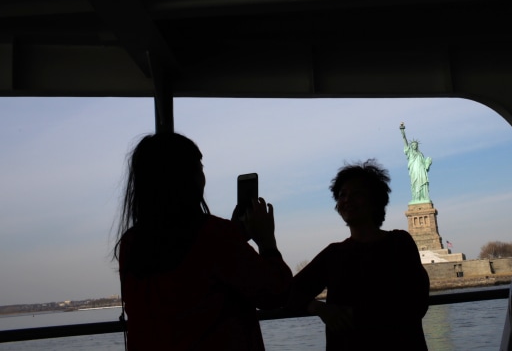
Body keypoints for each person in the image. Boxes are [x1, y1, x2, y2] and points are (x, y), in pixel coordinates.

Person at [113, 132, 292, 350]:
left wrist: (235, 235)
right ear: (189, 178)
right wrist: (266, 242)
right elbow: (274, 293)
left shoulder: (131, 244)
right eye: (199, 168)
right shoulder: (214, 235)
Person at [287, 160, 430, 350]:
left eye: (356, 194)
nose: (347, 200)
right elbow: (288, 293)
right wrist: (319, 308)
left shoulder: (400, 243)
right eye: (342, 195)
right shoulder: (333, 254)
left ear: (375, 201)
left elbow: (416, 302)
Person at [400, 122, 432, 204]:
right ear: (411, 146)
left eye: (415, 145)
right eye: (413, 145)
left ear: (417, 146)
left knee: (422, 183)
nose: (414, 146)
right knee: (415, 184)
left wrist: (428, 162)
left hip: (421, 170)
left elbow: (425, 165)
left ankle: (424, 197)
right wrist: (402, 131)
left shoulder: (420, 154)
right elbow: (404, 140)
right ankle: (416, 198)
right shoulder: (409, 152)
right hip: (414, 170)